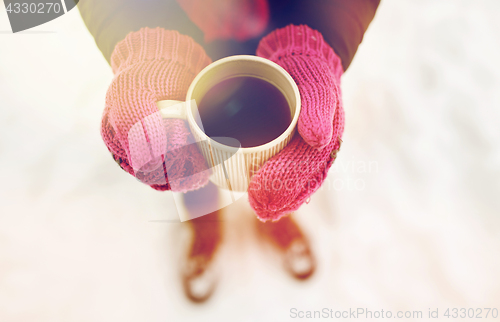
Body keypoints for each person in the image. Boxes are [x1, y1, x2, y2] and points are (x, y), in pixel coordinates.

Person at [78, 0, 380, 303]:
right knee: (185, 158)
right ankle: (205, 226)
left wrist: (317, 40)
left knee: (282, 170)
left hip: (282, 28)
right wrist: (145, 45)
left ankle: (275, 217)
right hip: (182, 37)